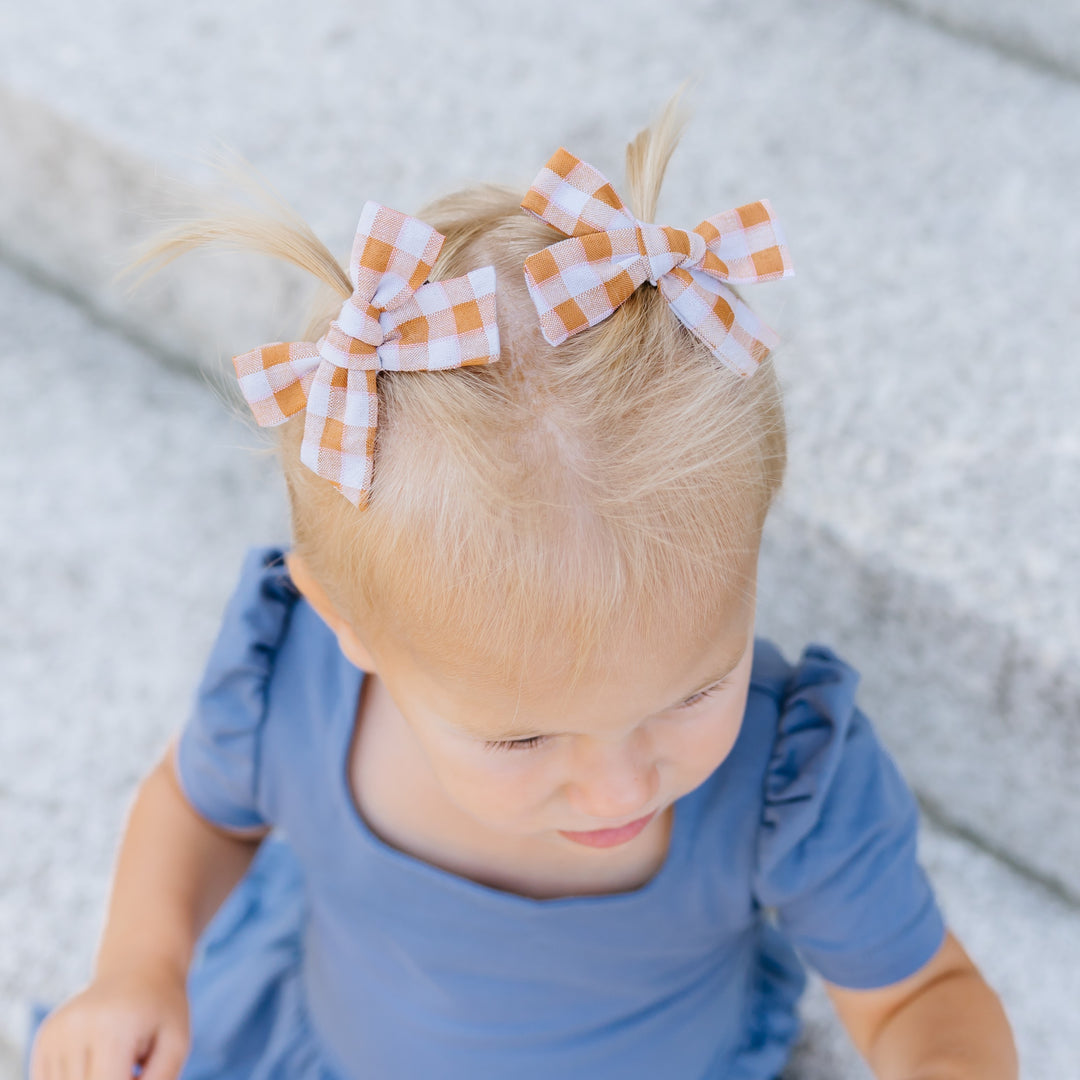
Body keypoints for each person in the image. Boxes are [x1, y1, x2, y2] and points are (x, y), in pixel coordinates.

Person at [28, 101, 1017, 1079]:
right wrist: (140, 967)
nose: (622, 788)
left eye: (693, 691)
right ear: (349, 625)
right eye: (521, 737)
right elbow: (198, 809)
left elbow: (921, 995)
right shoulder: (286, 693)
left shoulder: (784, 786)